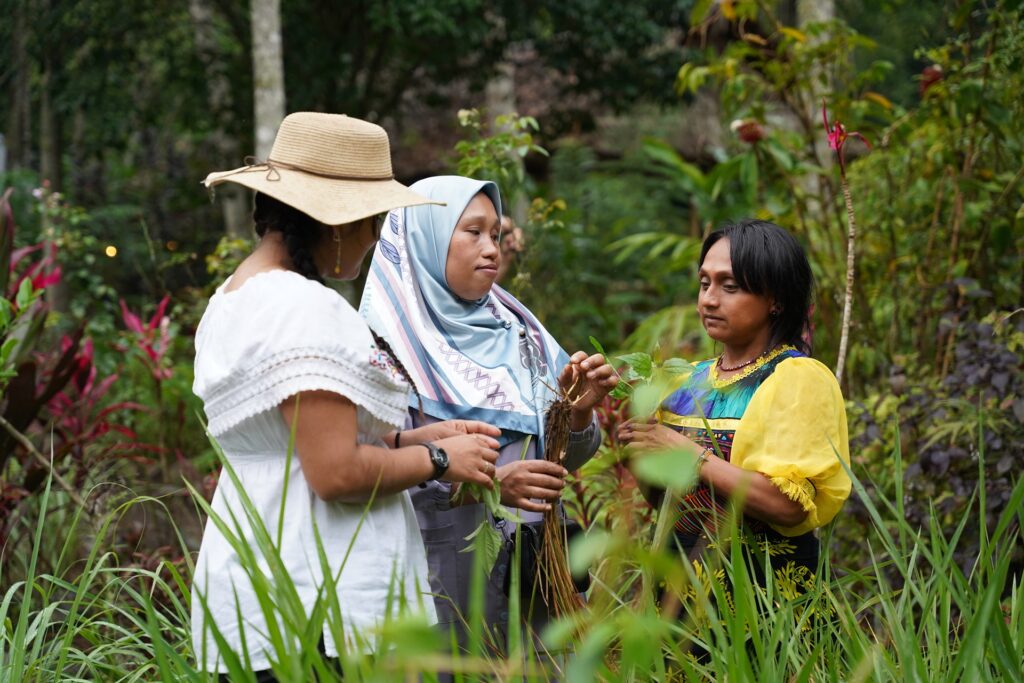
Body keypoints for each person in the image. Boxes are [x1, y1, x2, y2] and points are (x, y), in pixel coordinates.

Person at [191, 113, 503, 678]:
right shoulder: (307, 308)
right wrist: (439, 459)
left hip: (253, 578)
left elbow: (297, 438)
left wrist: (407, 437)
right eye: (375, 220)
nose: (378, 235)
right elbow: (333, 473)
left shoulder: (233, 299)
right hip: (320, 594)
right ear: (339, 221)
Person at [359, 175, 618, 651]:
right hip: (440, 579)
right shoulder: (385, 344)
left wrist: (577, 415)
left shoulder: (523, 333)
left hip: (535, 582)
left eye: (496, 234)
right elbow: (370, 469)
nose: (492, 248)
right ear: (426, 237)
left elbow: (564, 461)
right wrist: (492, 486)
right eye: (472, 232)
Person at [618, 219, 851, 594]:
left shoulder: (796, 379)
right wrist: (640, 453)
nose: (709, 299)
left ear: (775, 299)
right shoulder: (684, 381)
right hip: (679, 593)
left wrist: (686, 453)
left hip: (764, 597)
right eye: (704, 283)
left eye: (730, 286)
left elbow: (789, 507)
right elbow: (668, 502)